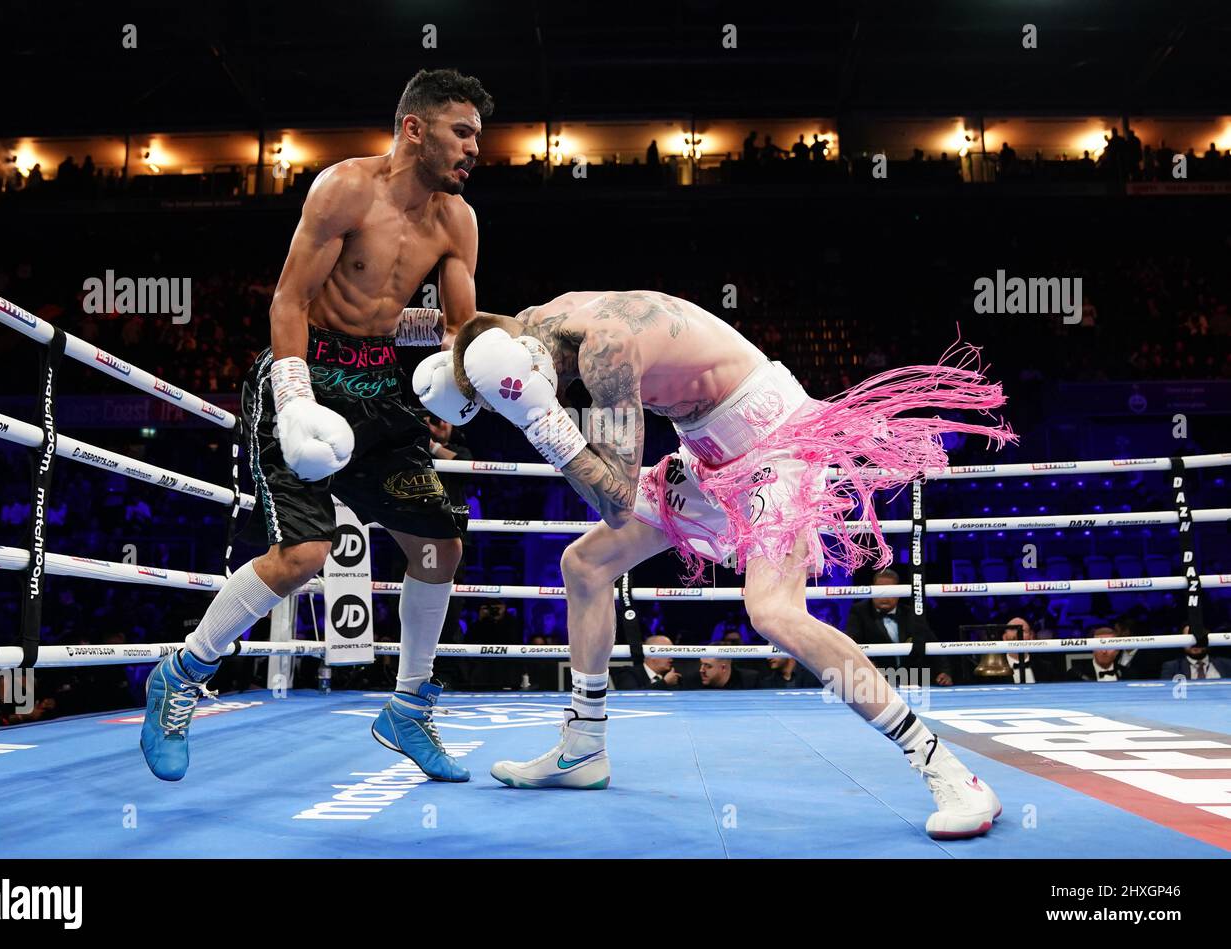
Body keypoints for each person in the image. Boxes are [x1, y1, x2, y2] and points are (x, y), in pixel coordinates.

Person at [422, 290, 1015, 838]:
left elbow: (619, 500)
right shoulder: (528, 328)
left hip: (774, 438)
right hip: (705, 449)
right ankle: (582, 747)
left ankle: (950, 771)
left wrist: (544, 425)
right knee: (585, 566)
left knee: (774, 613)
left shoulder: (607, 351)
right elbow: (456, 330)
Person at [140, 68, 493, 783]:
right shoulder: (345, 189)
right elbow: (289, 300)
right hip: (304, 368)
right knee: (303, 555)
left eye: (479, 136)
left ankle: (407, 706)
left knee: (439, 548)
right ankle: (181, 674)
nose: (474, 148)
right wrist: (295, 396)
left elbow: (457, 328)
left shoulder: (458, 220)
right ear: (414, 128)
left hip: (376, 382)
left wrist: (456, 387)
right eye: (462, 132)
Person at [845, 568, 953, 687]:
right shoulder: (859, 612)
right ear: (872, 589)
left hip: (912, 680)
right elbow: (852, 645)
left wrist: (944, 672)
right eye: (880, 590)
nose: (884, 596)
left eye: (890, 590)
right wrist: (869, 669)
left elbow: (932, 643)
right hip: (875, 682)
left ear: (900, 591)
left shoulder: (911, 613)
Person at [611, 634, 683, 689]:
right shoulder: (629, 673)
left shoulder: (672, 677)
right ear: (651, 654)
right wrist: (664, 683)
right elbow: (631, 696)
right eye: (667, 652)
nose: (671, 657)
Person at [1160, 630, 1231, 680]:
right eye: (1189, 638)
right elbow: (1166, 694)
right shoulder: (1172, 667)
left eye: (1198, 638)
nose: (1195, 643)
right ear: (1181, 641)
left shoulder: (1227, 664)